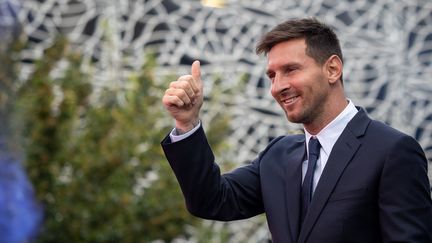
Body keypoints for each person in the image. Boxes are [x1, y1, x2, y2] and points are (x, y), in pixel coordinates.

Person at [161, 18, 432, 243]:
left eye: (291, 70)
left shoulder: (392, 151)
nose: (278, 86)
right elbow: (212, 200)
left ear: (333, 69)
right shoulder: (277, 155)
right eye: (272, 75)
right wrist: (187, 123)